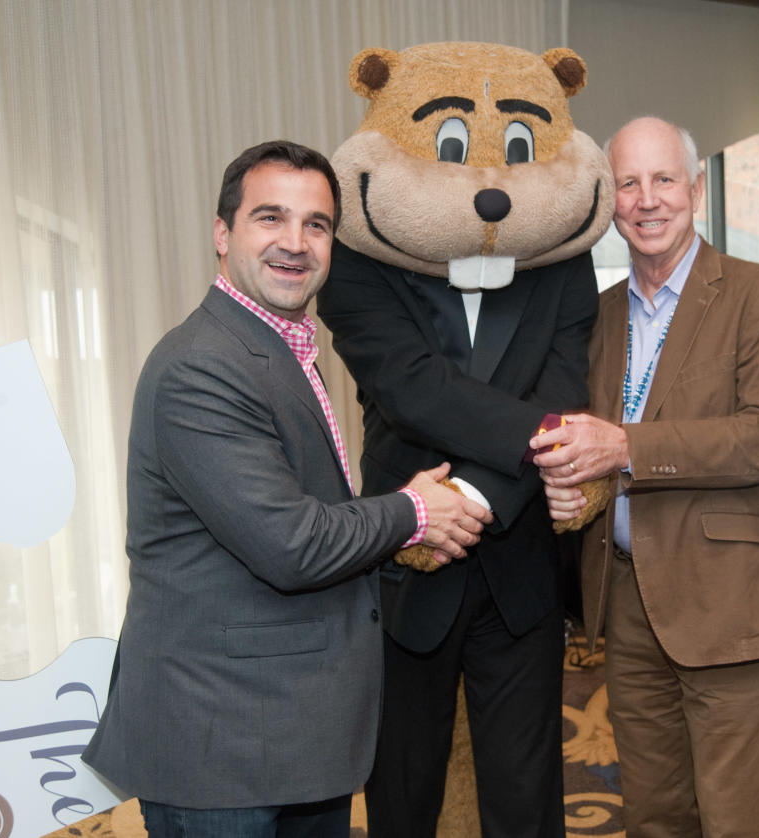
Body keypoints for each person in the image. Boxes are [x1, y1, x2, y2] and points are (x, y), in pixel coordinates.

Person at [82, 140, 492, 838]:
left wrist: (400, 514)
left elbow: (304, 511)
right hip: (220, 747)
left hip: (292, 734)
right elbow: (292, 543)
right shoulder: (199, 366)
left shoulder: (284, 346)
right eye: (270, 218)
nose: (295, 243)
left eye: (316, 225)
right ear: (223, 233)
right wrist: (414, 511)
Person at [530, 117, 759, 838]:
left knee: (743, 820)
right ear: (610, 203)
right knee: (656, 816)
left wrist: (624, 447)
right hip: (628, 603)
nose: (646, 199)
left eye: (664, 179)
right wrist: (569, 482)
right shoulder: (596, 317)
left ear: (695, 189)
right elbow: (588, 440)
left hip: (734, 603)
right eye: (628, 183)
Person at [315, 194, 598, 838]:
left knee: (528, 802)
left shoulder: (559, 258)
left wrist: (471, 499)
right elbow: (416, 392)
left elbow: (561, 390)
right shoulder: (361, 260)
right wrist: (552, 434)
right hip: (408, 568)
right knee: (402, 798)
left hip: (522, 564)